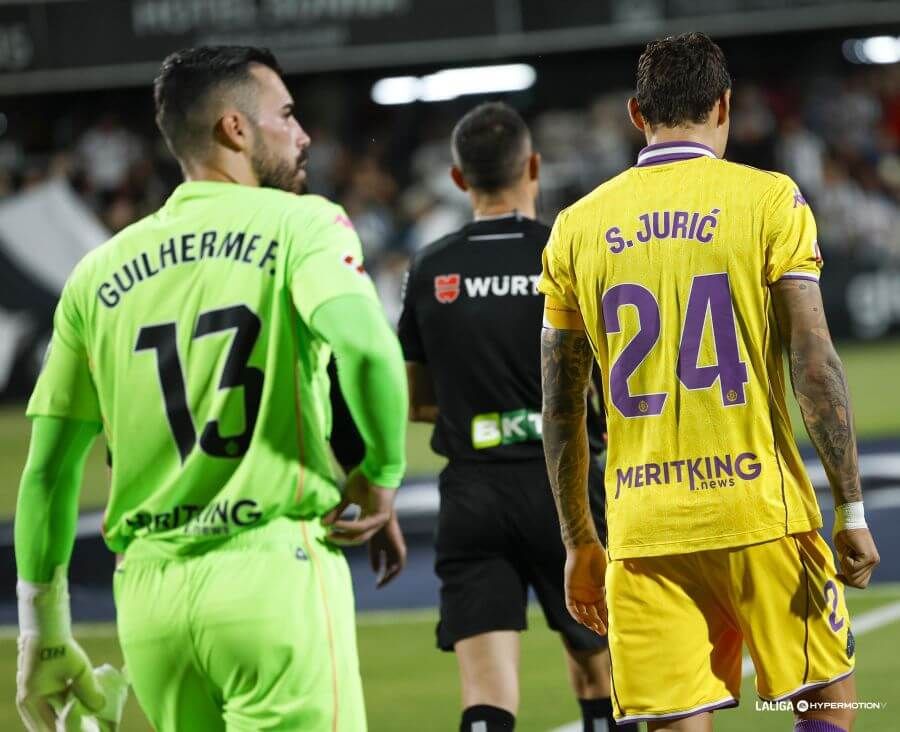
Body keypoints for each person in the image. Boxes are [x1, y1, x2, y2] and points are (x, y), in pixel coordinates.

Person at [15, 45, 408, 732]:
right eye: (286, 114)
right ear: (236, 129)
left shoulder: (97, 272)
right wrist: (381, 473)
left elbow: (48, 471)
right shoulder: (303, 224)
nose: (303, 132)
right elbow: (369, 350)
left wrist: (42, 632)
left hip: (149, 605)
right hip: (268, 571)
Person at [539, 33, 880, 732]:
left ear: (638, 114)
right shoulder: (768, 200)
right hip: (761, 511)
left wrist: (579, 541)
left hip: (641, 530)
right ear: (724, 105)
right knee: (827, 704)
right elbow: (813, 359)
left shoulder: (574, 227)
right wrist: (851, 510)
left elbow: (561, 405)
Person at [398, 102, 633, 732]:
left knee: (486, 693)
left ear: (457, 179)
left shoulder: (430, 267)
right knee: (602, 672)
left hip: (472, 493)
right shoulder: (566, 250)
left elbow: (418, 401)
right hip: (567, 493)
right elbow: (616, 378)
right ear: (532, 165)